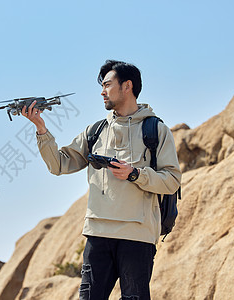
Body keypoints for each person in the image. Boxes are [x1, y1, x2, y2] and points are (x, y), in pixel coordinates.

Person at [21, 60, 181, 300]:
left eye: (107, 85)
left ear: (127, 86)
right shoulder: (95, 131)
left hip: (137, 235)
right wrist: (41, 129)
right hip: (98, 234)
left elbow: (171, 180)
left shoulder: (156, 130)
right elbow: (59, 164)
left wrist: (135, 174)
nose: (102, 91)